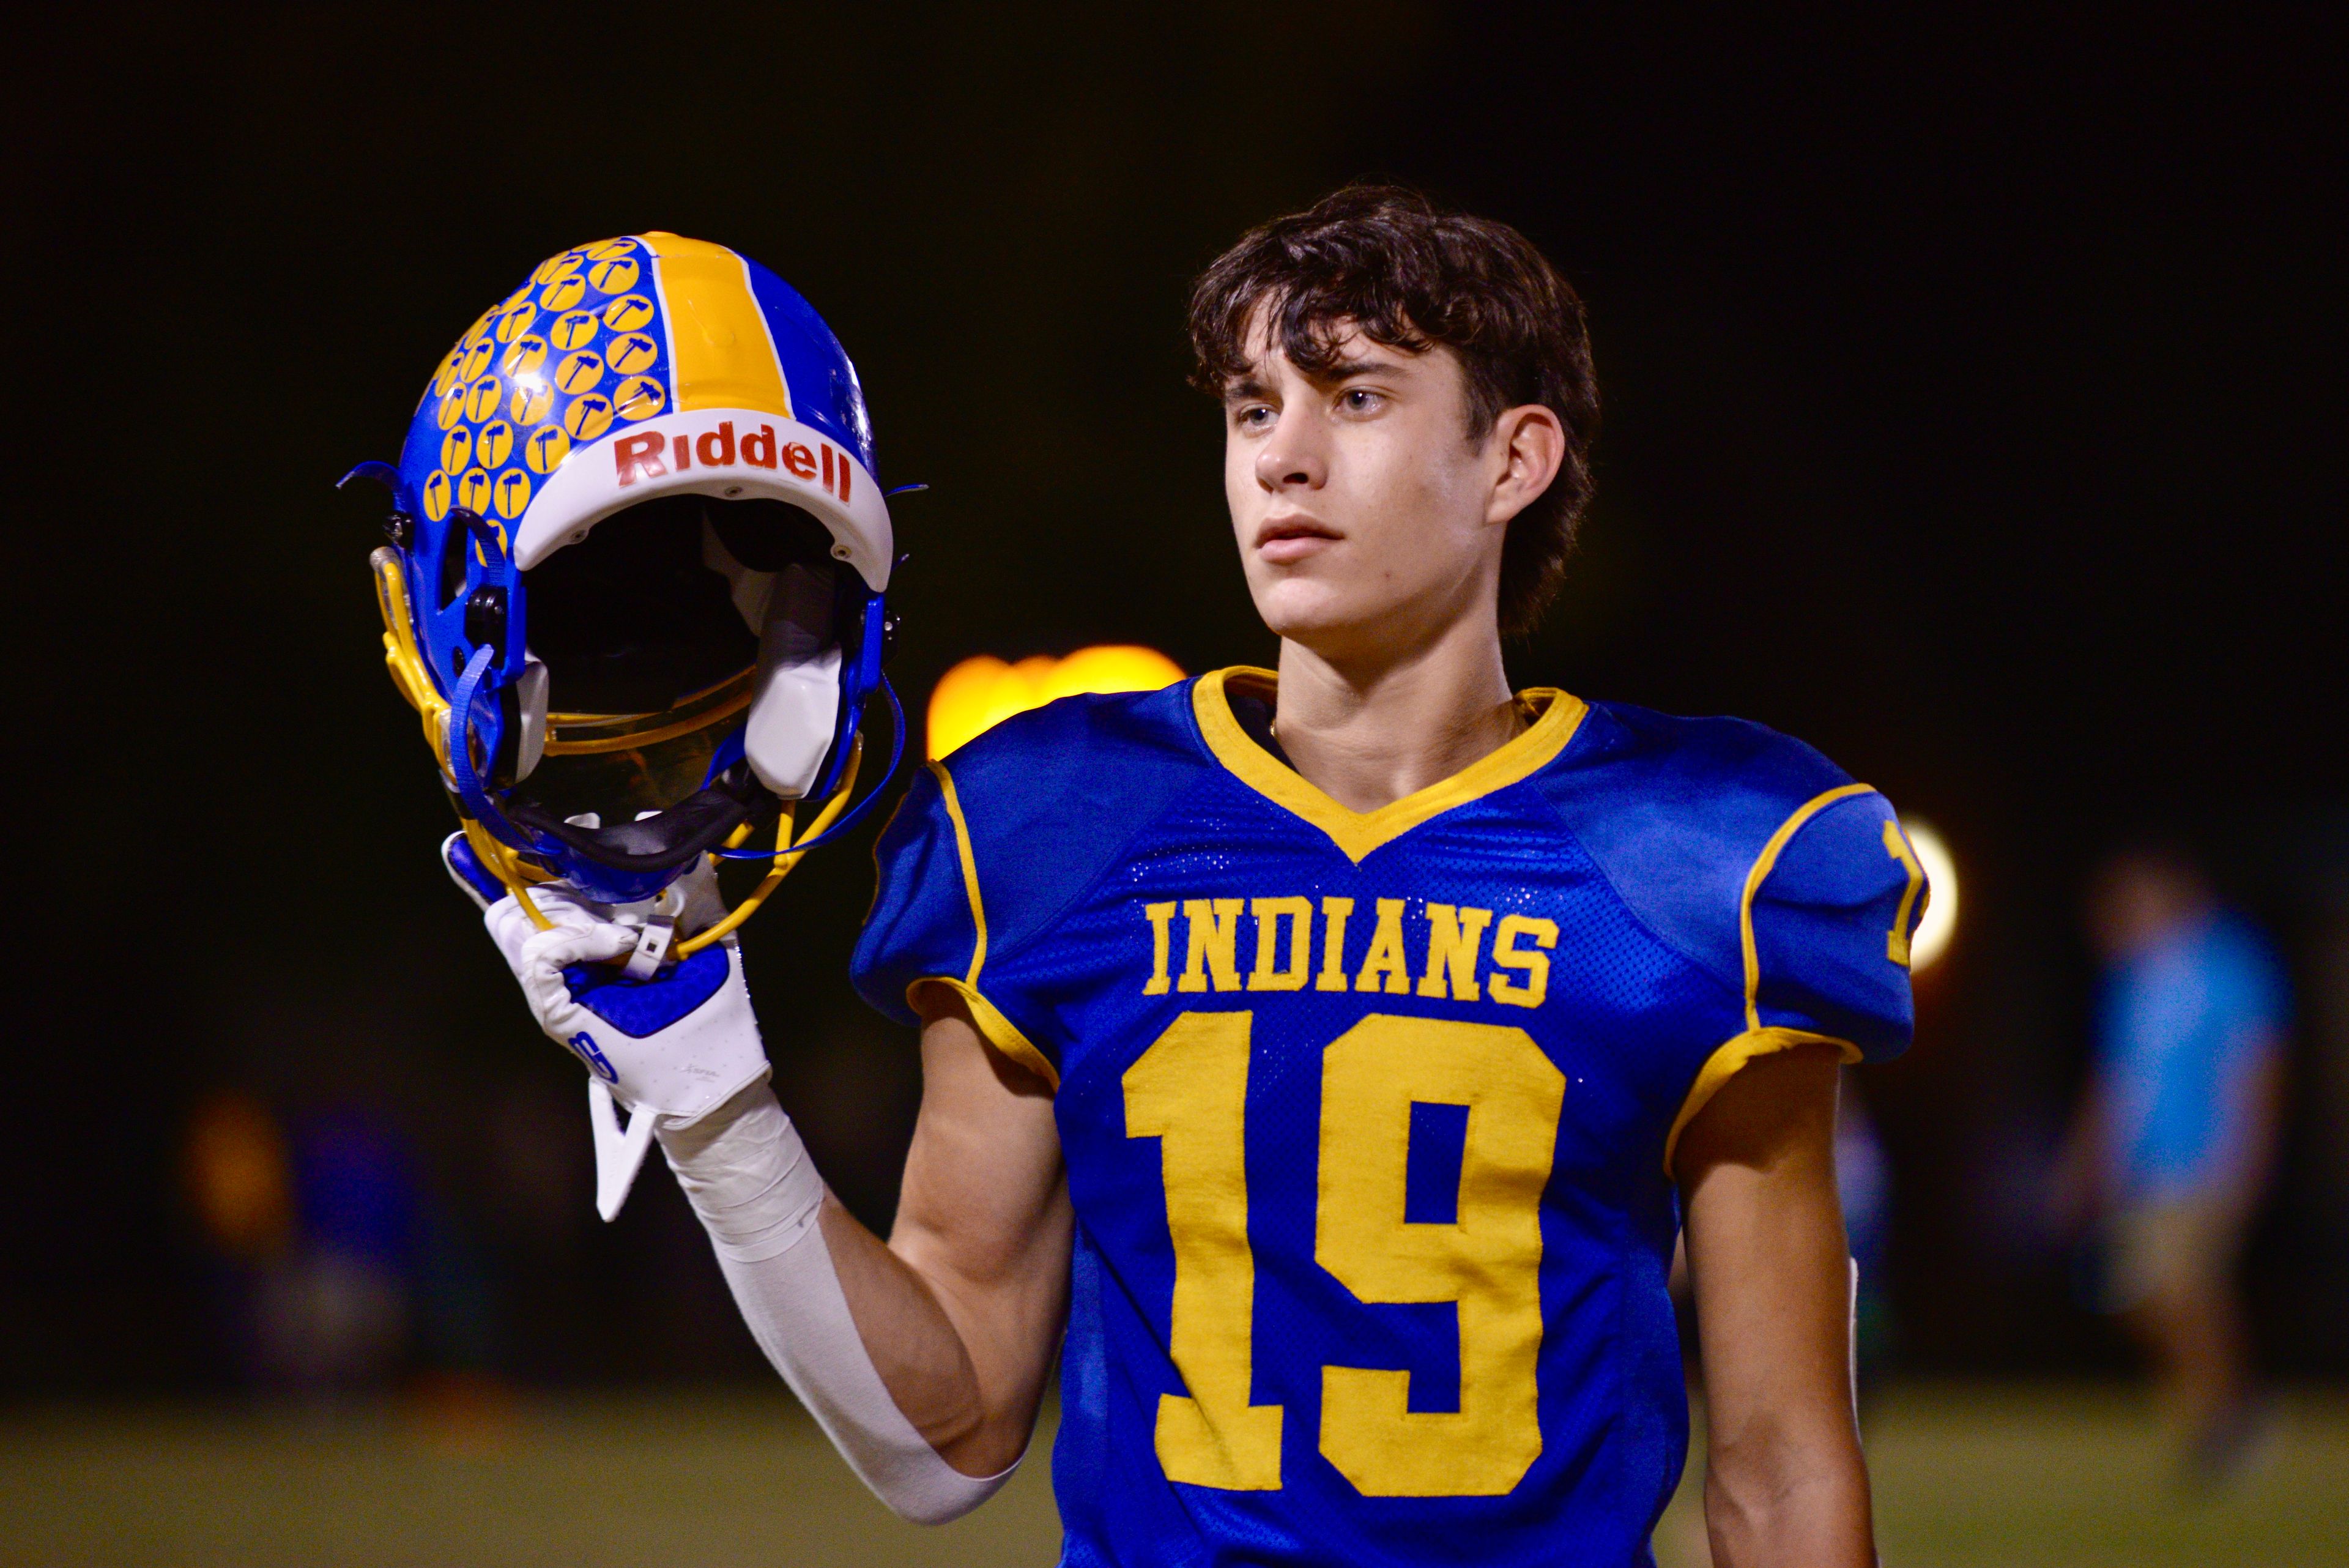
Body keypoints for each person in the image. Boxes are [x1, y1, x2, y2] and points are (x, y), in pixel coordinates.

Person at [479, 188, 1925, 1566]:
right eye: (1251, 409)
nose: (1283, 457)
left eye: (1353, 397)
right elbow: (947, 1431)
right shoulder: (1050, 827)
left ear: (1512, 460)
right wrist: (713, 1099)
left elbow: (1780, 1463)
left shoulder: (1700, 855)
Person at [2055, 845, 2289, 1484]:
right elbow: (2112, 1081)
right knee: (2139, 1295)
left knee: (2184, 1290)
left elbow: (2258, 1063)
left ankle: (2225, 1420)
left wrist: (2251, 1152)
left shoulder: (2232, 960)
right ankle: (2227, 1406)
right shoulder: (2130, 978)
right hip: (2143, 1168)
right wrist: (2085, 1162)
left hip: (2206, 1158)